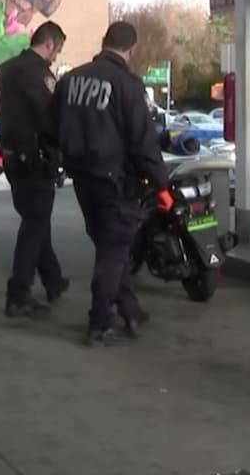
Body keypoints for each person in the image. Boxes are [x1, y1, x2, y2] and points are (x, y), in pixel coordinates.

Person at [53, 21, 174, 346]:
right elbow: (142, 141)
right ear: (130, 49)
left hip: (82, 178)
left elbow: (53, 127)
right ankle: (100, 323)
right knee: (114, 250)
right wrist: (161, 186)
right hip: (116, 181)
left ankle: (130, 310)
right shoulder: (127, 84)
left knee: (109, 246)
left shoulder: (70, 80)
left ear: (104, 41)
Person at [0, 20, 71, 318]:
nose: (56, 57)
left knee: (36, 219)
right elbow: (51, 116)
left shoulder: (6, 69)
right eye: (58, 50)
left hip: (12, 157)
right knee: (35, 223)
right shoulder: (38, 74)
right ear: (49, 44)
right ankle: (18, 292)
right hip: (36, 158)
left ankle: (53, 279)